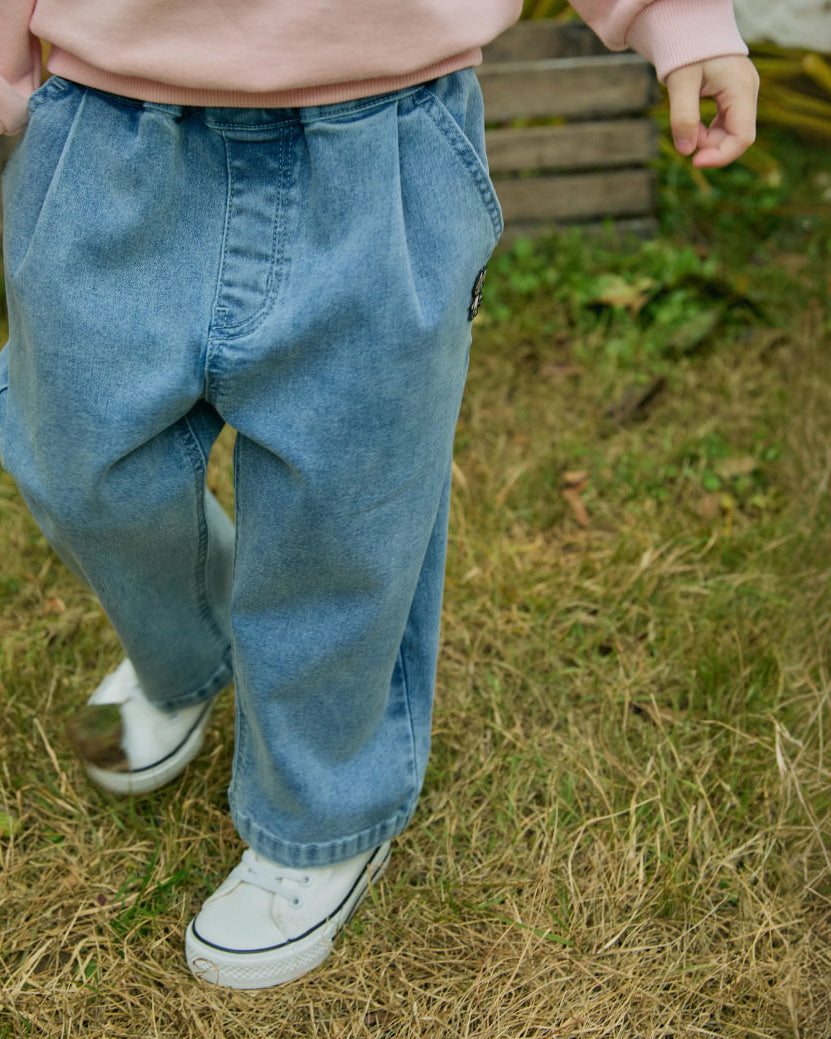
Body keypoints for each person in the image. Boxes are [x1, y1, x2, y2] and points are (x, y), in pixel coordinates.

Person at [0, 0, 759, 991]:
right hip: (107, 132)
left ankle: (318, 818)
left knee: (345, 516)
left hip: (382, 143)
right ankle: (195, 644)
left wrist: (681, 23)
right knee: (77, 465)